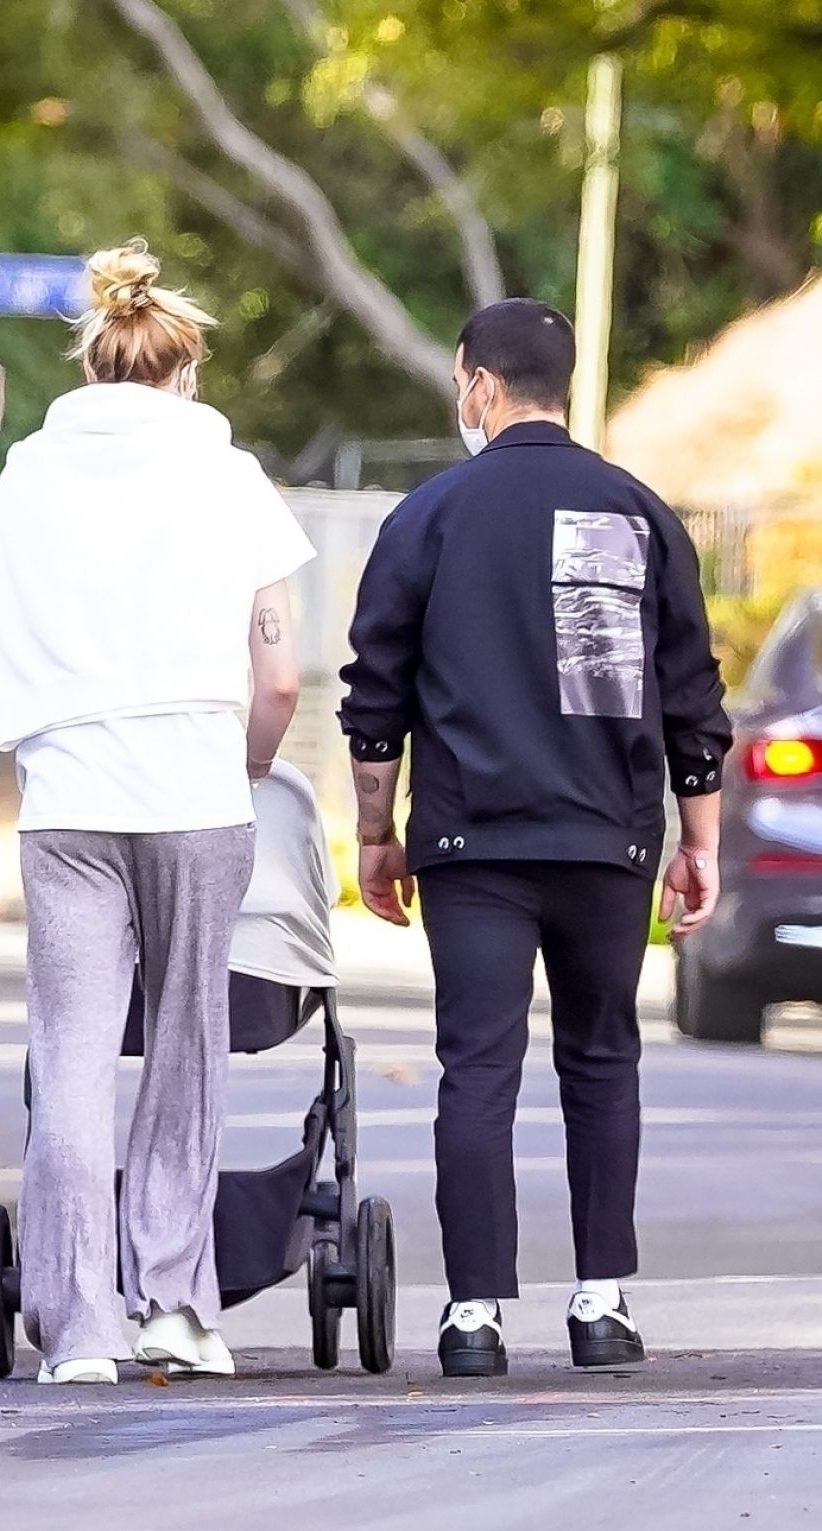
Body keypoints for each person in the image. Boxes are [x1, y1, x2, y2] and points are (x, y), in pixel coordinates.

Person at [338, 298, 731, 1378]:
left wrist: (375, 834)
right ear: (562, 385)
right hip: (608, 837)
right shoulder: (635, 511)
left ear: (477, 383)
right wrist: (696, 840)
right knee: (603, 1059)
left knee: (478, 1067)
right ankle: (600, 1306)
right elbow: (691, 696)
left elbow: (375, 698)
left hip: (472, 845)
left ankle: (473, 1318)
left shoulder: (429, 515)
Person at [0, 238, 314, 1386]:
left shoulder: (28, 470)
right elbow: (277, 676)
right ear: (185, 370)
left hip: (67, 796)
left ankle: (80, 1330)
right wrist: (246, 767)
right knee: (184, 1050)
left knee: (68, 1059)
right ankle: (173, 1300)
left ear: (94, 365)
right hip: (194, 791)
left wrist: (43, 736)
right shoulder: (229, 473)